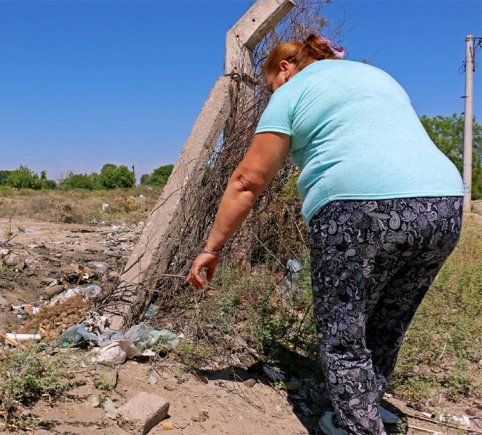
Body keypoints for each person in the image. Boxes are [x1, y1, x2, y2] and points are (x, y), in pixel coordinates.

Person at [186, 34, 464, 435]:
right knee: (387, 322)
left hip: (359, 208)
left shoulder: (293, 89)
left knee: (342, 334)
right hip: (443, 203)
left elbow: (247, 181)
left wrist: (211, 248)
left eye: (271, 87)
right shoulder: (374, 76)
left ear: (285, 68)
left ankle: (359, 428)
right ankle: (366, 408)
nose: (272, 96)